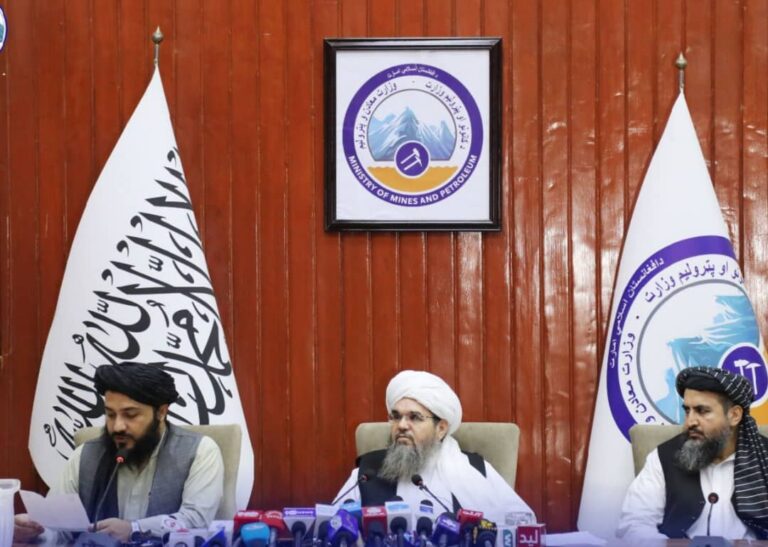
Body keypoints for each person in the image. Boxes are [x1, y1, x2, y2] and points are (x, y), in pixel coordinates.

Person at [14, 363, 224, 543]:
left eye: (130, 415)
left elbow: (196, 520)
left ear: (161, 412)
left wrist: (134, 529)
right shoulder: (85, 455)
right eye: (110, 415)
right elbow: (59, 528)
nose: (117, 427)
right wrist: (35, 532)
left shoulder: (200, 451)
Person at [333, 369, 535, 522]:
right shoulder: (366, 473)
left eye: (414, 417)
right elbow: (331, 525)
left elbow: (522, 522)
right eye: (395, 416)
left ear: (441, 428)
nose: (401, 425)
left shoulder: (475, 470)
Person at [617, 366, 768, 541]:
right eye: (687, 411)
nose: (690, 422)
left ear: (734, 415)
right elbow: (634, 524)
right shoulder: (664, 456)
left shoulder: (764, 458)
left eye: (702, 411)